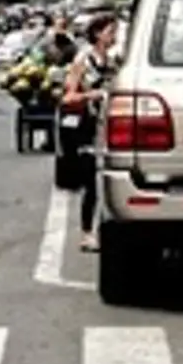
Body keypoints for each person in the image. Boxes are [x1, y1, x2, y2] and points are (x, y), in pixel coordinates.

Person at [60, 15, 120, 253]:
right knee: (91, 183)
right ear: (97, 34)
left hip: (110, 127)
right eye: (110, 32)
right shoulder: (83, 60)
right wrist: (90, 96)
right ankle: (87, 233)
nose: (114, 36)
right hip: (88, 127)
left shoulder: (113, 61)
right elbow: (68, 96)